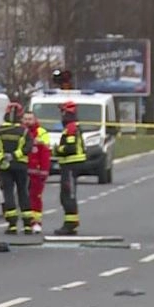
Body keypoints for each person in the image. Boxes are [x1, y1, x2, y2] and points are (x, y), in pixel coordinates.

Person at [0, 102, 33, 234]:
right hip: (20, 166)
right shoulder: (24, 132)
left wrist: (2, 158)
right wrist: (15, 156)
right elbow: (28, 148)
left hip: (5, 167)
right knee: (23, 193)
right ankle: (27, 225)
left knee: (8, 193)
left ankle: (12, 225)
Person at [54, 100, 86, 235]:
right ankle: (71, 222)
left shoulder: (71, 128)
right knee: (66, 194)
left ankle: (70, 224)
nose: (61, 114)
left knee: (68, 194)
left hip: (71, 165)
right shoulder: (71, 127)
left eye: (62, 111)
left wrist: (57, 149)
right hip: (69, 165)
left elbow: (70, 148)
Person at [23, 110, 52, 235]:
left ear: (35, 120)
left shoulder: (42, 133)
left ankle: (36, 223)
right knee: (24, 197)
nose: (28, 121)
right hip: (23, 171)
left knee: (35, 197)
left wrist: (44, 171)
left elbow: (45, 153)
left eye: (30, 119)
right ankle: (27, 223)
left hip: (37, 172)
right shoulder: (21, 132)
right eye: (26, 119)